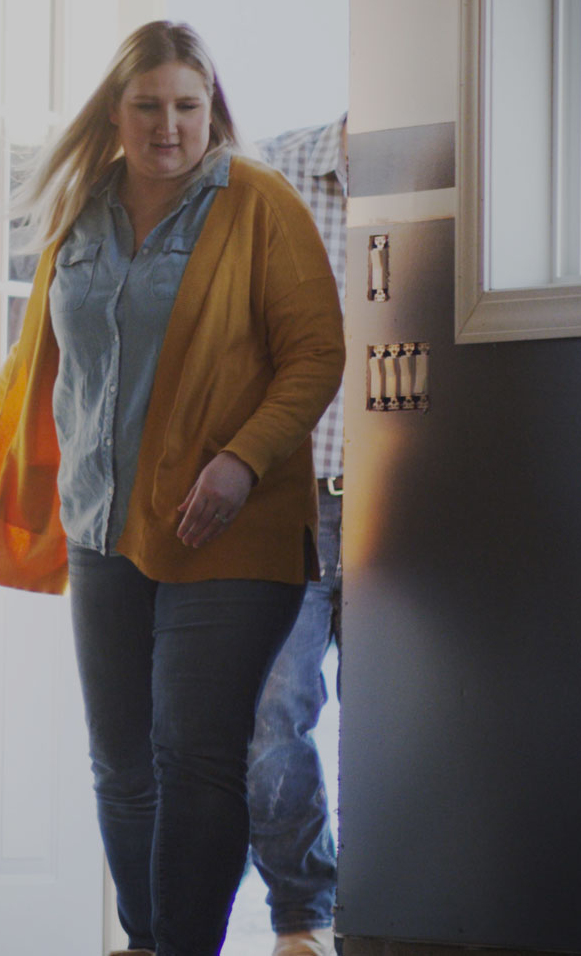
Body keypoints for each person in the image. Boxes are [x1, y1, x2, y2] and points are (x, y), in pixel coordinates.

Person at [0, 20, 344, 956]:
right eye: (148, 106)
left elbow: (316, 354)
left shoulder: (259, 202)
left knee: (197, 755)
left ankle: (182, 947)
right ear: (116, 112)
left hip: (228, 530)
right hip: (101, 526)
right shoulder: (82, 210)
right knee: (122, 764)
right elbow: (34, 360)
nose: (169, 125)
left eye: (188, 105)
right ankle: (149, 938)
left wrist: (241, 459)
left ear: (211, 107)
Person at [245, 113, 348, 956]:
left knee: (406, 718)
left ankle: (394, 910)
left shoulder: (464, 181)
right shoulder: (270, 177)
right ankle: (303, 919)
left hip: (416, 503)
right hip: (291, 497)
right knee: (273, 713)